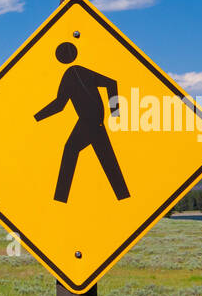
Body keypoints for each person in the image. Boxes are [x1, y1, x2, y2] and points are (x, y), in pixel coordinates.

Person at [34, 42, 130, 204]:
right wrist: (114, 112)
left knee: (72, 150)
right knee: (106, 158)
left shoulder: (72, 73)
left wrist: (116, 112)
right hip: (93, 121)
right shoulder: (78, 72)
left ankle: (60, 199)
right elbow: (60, 105)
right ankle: (124, 197)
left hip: (88, 121)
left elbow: (59, 104)